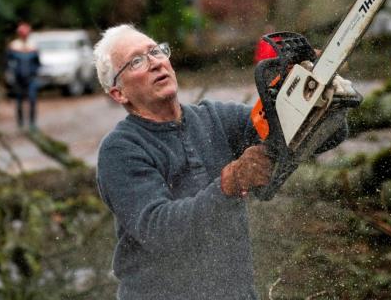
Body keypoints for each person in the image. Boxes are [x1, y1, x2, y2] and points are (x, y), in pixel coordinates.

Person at [93, 24, 347, 299]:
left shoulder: (216, 118)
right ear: (118, 93)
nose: (155, 63)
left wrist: (313, 101)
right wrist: (229, 184)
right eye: (137, 61)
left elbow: (305, 137)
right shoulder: (121, 150)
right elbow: (160, 230)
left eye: (155, 51)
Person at [6, 22, 40, 130]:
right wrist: (10, 73)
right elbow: (8, 62)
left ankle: (32, 123)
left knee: (32, 100)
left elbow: (38, 63)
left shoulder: (33, 46)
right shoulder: (14, 46)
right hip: (18, 78)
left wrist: (35, 72)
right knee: (19, 101)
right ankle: (20, 123)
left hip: (31, 78)